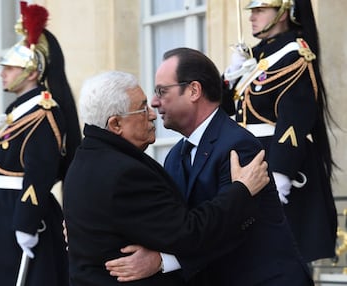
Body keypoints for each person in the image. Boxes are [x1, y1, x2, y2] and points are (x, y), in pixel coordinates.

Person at [104, 48, 313, 285]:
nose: (154, 102)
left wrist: (161, 260)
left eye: (162, 91)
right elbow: (173, 221)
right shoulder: (175, 156)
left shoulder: (238, 146)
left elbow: (231, 228)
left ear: (194, 90)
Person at [63, 70, 270, 286]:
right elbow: (189, 235)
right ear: (115, 125)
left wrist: (160, 260)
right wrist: (242, 190)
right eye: (142, 109)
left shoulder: (85, 161)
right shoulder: (124, 174)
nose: (152, 114)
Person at [0, 2, 81, 285]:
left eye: (10, 67)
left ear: (32, 72)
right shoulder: (19, 112)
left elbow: (40, 171)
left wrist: (26, 222)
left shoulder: (44, 113)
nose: (3, 73)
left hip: (22, 211)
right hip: (3, 208)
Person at [222, 0, 337, 263]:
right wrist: (231, 73)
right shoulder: (258, 57)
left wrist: (281, 174)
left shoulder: (295, 55)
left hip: (279, 166)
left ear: (285, 12)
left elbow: (294, 121)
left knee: (282, 262)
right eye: (252, 11)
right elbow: (225, 106)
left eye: (260, 10)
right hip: (251, 166)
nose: (252, 17)